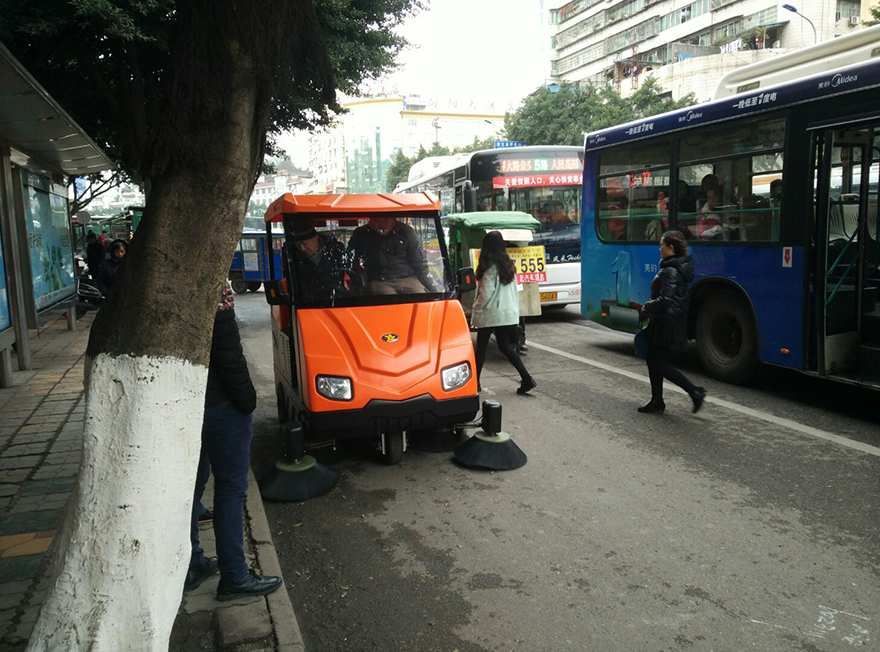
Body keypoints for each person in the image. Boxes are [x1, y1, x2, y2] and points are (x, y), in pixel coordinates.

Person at [186, 286, 282, 600]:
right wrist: (247, 401)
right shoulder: (212, 287)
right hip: (221, 406)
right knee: (230, 490)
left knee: (191, 488)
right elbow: (228, 353)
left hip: (185, 405)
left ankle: (191, 563)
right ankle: (235, 575)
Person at [637, 230, 706, 414]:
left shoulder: (671, 270)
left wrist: (647, 307)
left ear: (671, 248)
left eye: (662, 245)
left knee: (658, 363)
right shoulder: (672, 266)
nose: (659, 248)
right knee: (653, 361)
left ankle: (694, 392)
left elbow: (665, 300)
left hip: (666, 322)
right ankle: (657, 401)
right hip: (666, 319)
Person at [471, 231, 536, 395]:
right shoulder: (509, 266)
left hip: (491, 313)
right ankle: (526, 378)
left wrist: (475, 308)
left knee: (481, 349)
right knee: (505, 346)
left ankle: (475, 383)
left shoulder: (490, 269)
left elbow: (485, 294)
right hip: (507, 313)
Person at [347, 216, 437, 294]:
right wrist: (361, 283)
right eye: (377, 221)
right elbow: (350, 261)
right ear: (370, 221)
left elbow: (420, 264)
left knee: (420, 297)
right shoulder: (361, 235)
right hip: (378, 280)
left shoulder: (407, 232)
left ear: (393, 219)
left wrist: (435, 292)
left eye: (385, 221)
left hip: (407, 278)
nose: (381, 225)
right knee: (387, 297)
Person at [289, 225, 346, 298]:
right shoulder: (292, 258)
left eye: (305, 243)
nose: (302, 248)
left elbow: (352, 269)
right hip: (306, 302)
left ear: (316, 237)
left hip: (337, 298)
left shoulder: (336, 251)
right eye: (298, 245)